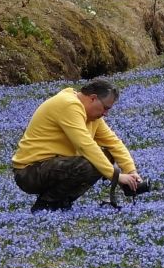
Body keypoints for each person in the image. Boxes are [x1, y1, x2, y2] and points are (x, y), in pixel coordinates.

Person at [11, 79, 143, 212]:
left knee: (106, 156)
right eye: (105, 108)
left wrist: (132, 172)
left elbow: (114, 143)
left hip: (51, 166)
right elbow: (85, 145)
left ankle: (62, 201)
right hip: (29, 171)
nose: (105, 114)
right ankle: (47, 204)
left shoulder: (92, 117)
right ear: (93, 98)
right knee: (89, 163)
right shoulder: (68, 105)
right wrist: (117, 176)